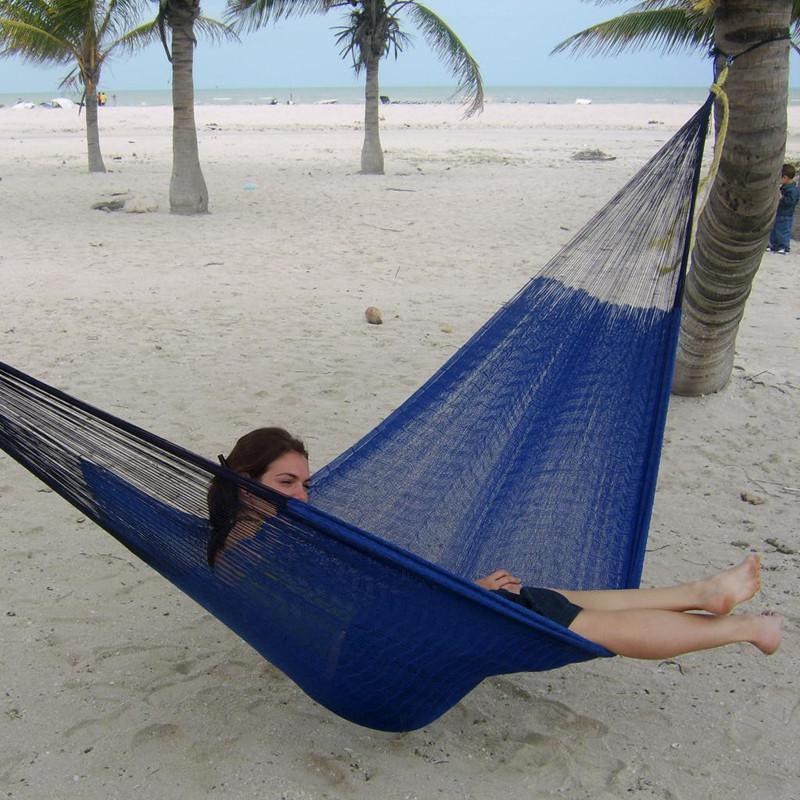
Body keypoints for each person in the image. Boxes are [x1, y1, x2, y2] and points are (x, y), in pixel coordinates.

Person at [208, 428, 784, 660]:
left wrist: (468, 591)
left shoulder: (259, 535)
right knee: (563, 619)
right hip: (402, 637)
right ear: (243, 477)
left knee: (539, 598)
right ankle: (743, 628)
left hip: (409, 620)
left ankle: (702, 593)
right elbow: (369, 601)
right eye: (286, 483)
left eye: (305, 484)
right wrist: (467, 595)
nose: (302, 497)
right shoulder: (264, 545)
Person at [767, 163, 799, 254]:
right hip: (779, 212)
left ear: (785, 177)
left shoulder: (793, 190)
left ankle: (784, 247)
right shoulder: (785, 187)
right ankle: (774, 245)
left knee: (783, 231)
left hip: (786, 215)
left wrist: (782, 198)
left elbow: (791, 202)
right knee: (775, 230)